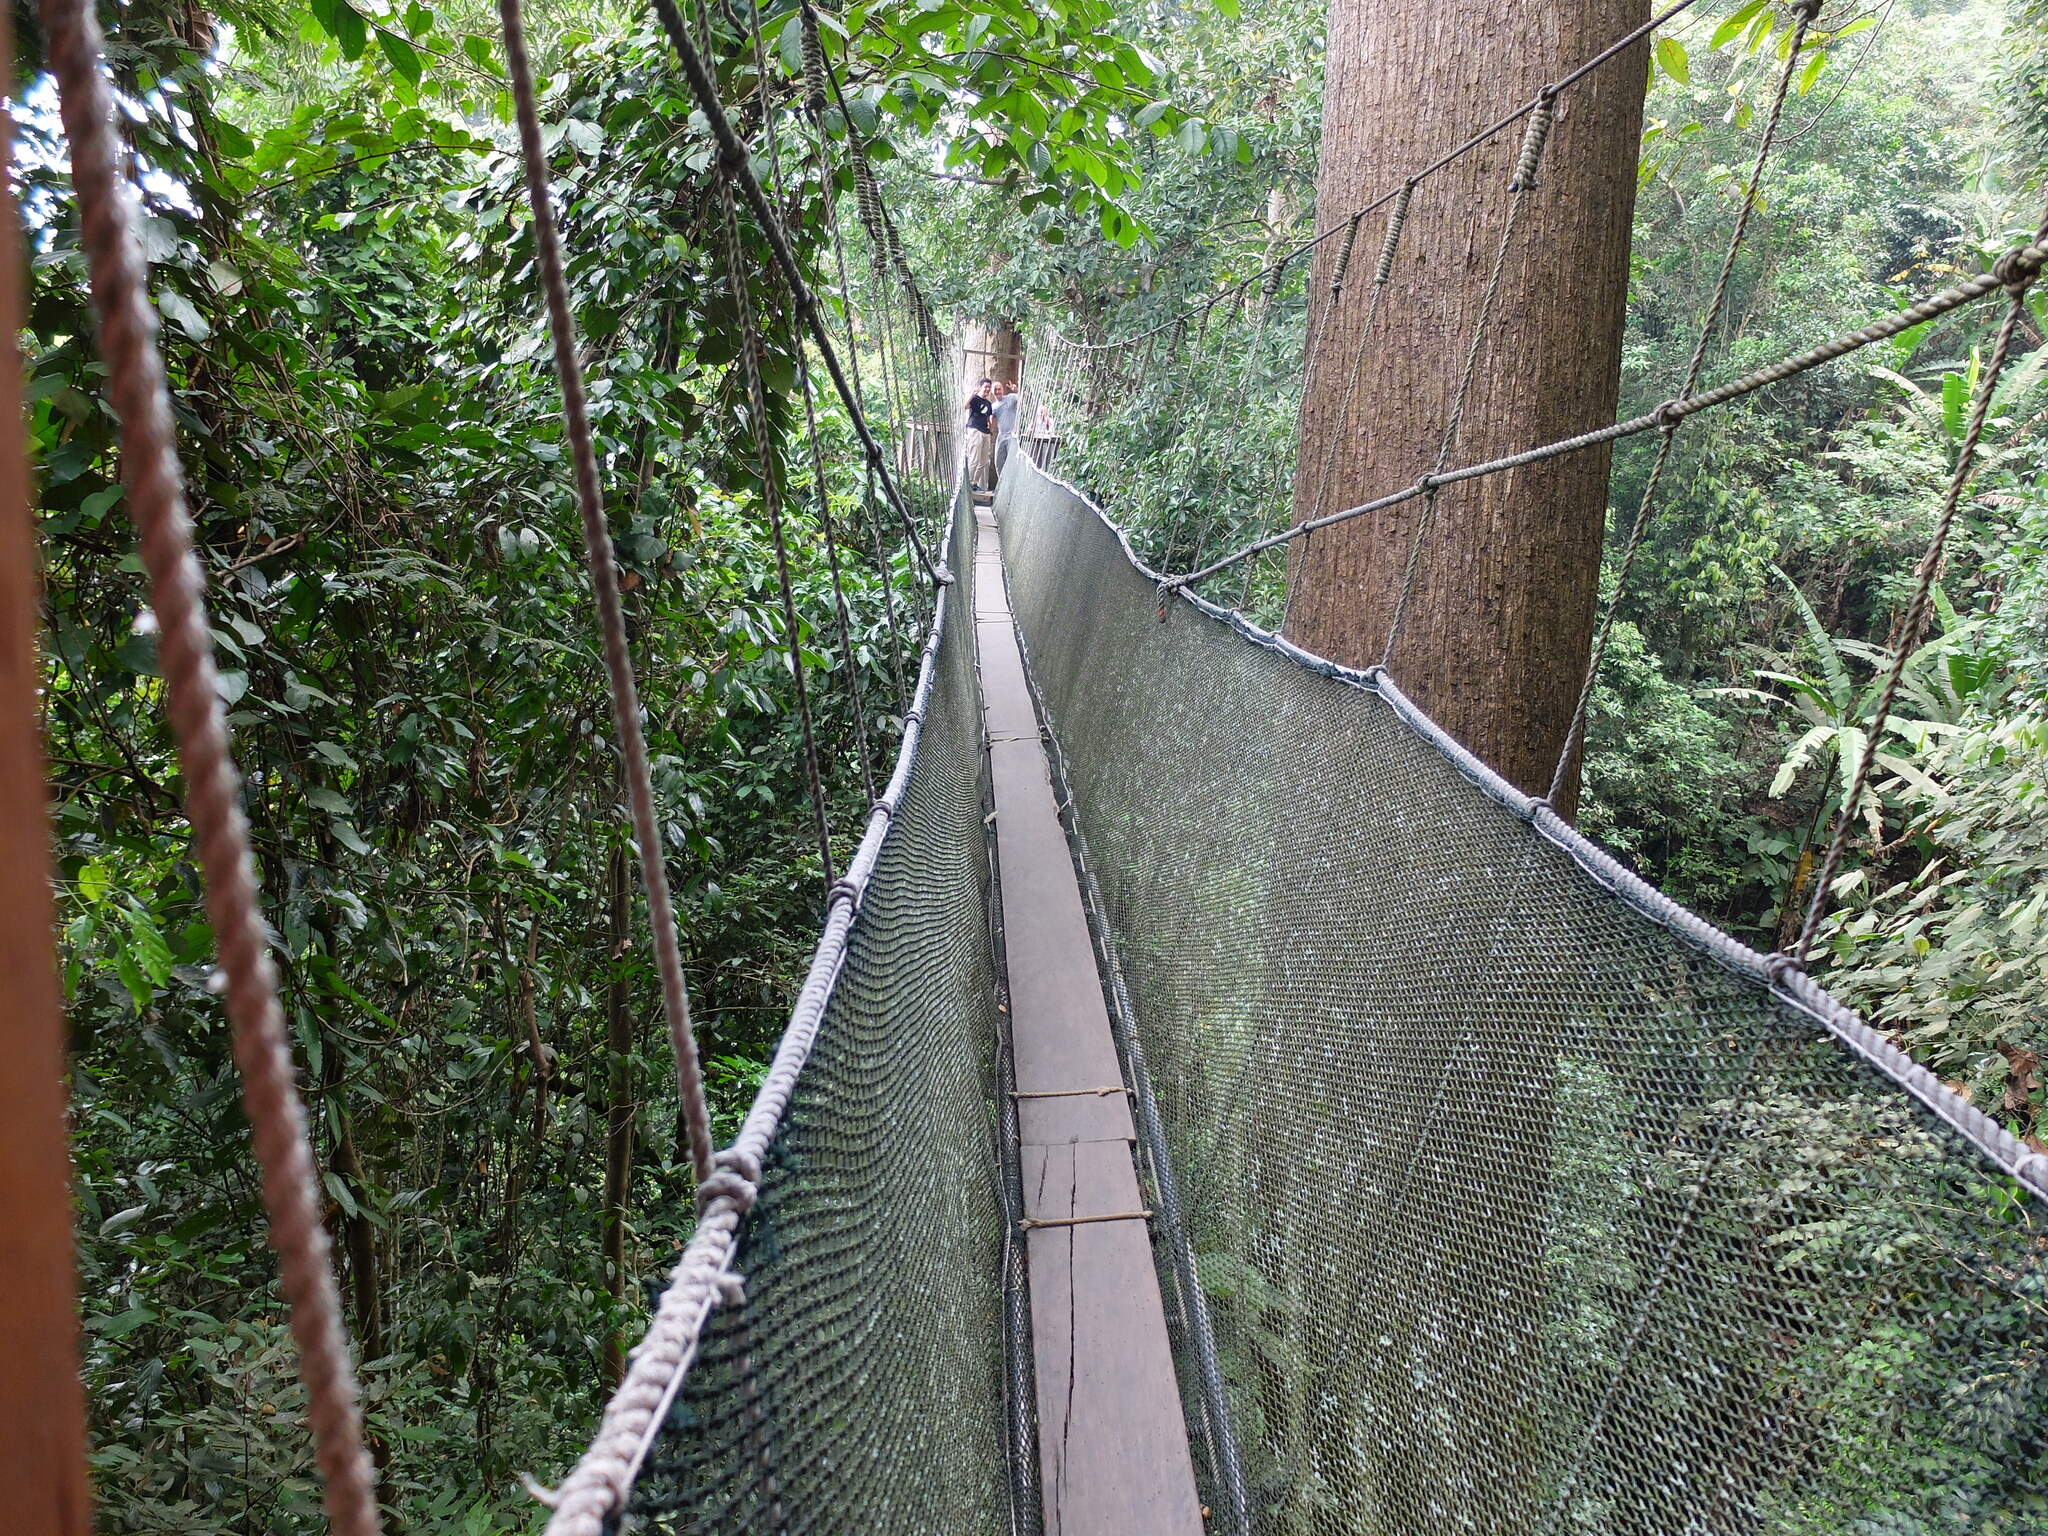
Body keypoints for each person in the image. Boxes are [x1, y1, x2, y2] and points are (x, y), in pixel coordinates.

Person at [964, 378, 995, 491]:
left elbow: (988, 418)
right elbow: (965, 406)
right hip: (975, 430)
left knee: (983, 460)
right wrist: (972, 394)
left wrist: (990, 429)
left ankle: (974, 482)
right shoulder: (975, 399)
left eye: (989, 387)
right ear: (981, 387)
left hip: (985, 431)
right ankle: (967, 483)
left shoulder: (988, 403)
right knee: (974, 459)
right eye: (985, 386)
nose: (987, 389)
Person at [991, 378, 1020, 486]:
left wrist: (1017, 390)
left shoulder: (1011, 398)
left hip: (1012, 435)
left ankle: (1013, 486)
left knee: (1012, 462)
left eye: (999, 389)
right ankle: (1002, 486)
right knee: (998, 462)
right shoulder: (992, 406)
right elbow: (992, 424)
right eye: (995, 390)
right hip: (1001, 435)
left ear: (1003, 390)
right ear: (992, 392)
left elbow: (1026, 399)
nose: (997, 392)